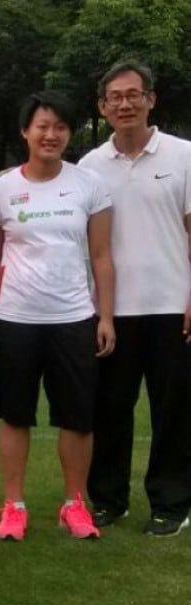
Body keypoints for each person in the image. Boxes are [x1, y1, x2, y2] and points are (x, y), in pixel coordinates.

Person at [0, 90, 115, 541]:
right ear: (25, 131)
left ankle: (74, 504)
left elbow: (101, 256)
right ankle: (13, 506)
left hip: (74, 318)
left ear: (68, 133)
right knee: (15, 416)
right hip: (14, 319)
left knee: (78, 418)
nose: (51, 134)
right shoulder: (1, 188)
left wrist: (106, 317)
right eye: (42, 126)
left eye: (60, 127)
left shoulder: (89, 186)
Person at [77, 60, 191, 537]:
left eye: (133, 94)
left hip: (172, 309)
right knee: (109, 410)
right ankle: (108, 500)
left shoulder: (184, 155)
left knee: (175, 414)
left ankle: (171, 504)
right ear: (103, 107)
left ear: (150, 99)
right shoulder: (89, 166)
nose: (125, 103)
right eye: (114, 97)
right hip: (112, 312)